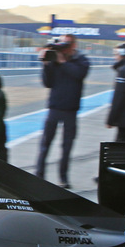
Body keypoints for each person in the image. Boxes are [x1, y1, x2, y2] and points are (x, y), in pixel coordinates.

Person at [34, 33, 90, 188]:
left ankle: (63, 178)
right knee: (45, 144)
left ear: (73, 45)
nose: (63, 48)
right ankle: (39, 175)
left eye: (66, 44)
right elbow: (48, 83)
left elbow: (79, 74)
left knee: (67, 147)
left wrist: (63, 62)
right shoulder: (54, 60)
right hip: (54, 108)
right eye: (62, 44)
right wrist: (46, 65)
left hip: (71, 110)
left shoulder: (82, 60)